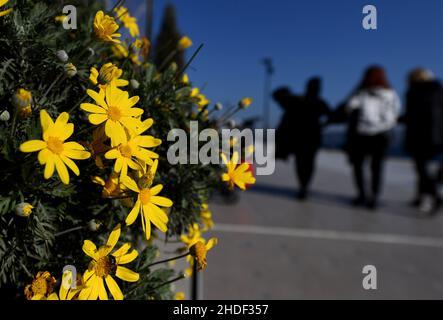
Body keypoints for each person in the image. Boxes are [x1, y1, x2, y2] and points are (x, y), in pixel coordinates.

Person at [345, 66, 400, 209]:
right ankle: (374, 197)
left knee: (359, 166)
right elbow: (395, 113)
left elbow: (349, 107)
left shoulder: (361, 92)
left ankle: (362, 194)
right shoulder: (390, 93)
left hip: (362, 134)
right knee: (376, 167)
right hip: (381, 134)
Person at [273, 78, 330, 200]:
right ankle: (304, 186)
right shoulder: (316, 102)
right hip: (310, 138)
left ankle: (303, 186)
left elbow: (276, 95)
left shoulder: (300, 100)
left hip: (302, 139)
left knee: (301, 163)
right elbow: (331, 116)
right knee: (308, 164)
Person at [404, 68, 443, 214]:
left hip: (419, 137)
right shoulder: (438, 89)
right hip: (437, 137)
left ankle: (435, 196)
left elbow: (412, 116)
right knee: (426, 169)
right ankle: (421, 196)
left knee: (422, 170)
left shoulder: (413, 91)